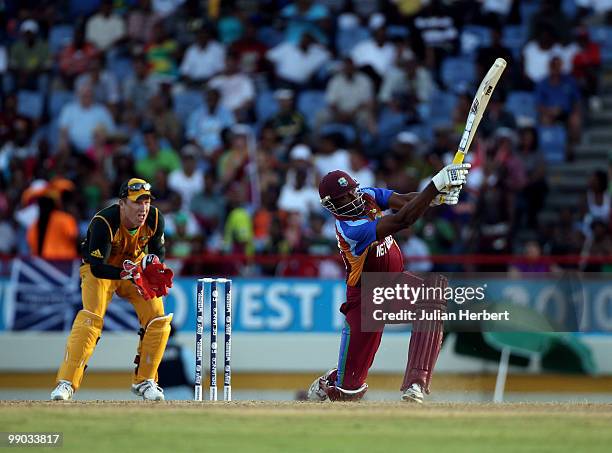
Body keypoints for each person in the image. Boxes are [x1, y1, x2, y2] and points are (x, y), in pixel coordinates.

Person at [307, 162, 470, 403]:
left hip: (393, 285)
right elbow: (403, 220)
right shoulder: (350, 230)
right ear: (332, 206)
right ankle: (333, 381)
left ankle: (415, 384)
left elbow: (404, 201)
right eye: (344, 198)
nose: (353, 197)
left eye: (353, 190)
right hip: (365, 300)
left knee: (433, 293)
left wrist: (439, 197)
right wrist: (434, 186)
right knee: (349, 393)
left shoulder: (367, 195)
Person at [50, 178, 174, 401]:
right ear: (122, 203)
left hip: (133, 268)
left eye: (146, 201)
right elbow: (98, 268)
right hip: (101, 271)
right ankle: (66, 383)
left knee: (158, 321)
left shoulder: (155, 218)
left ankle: (146, 381)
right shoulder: (104, 222)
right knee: (91, 318)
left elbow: (158, 252)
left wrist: (153, 264)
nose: (143, 208)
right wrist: (127, 273)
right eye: (137, 202)